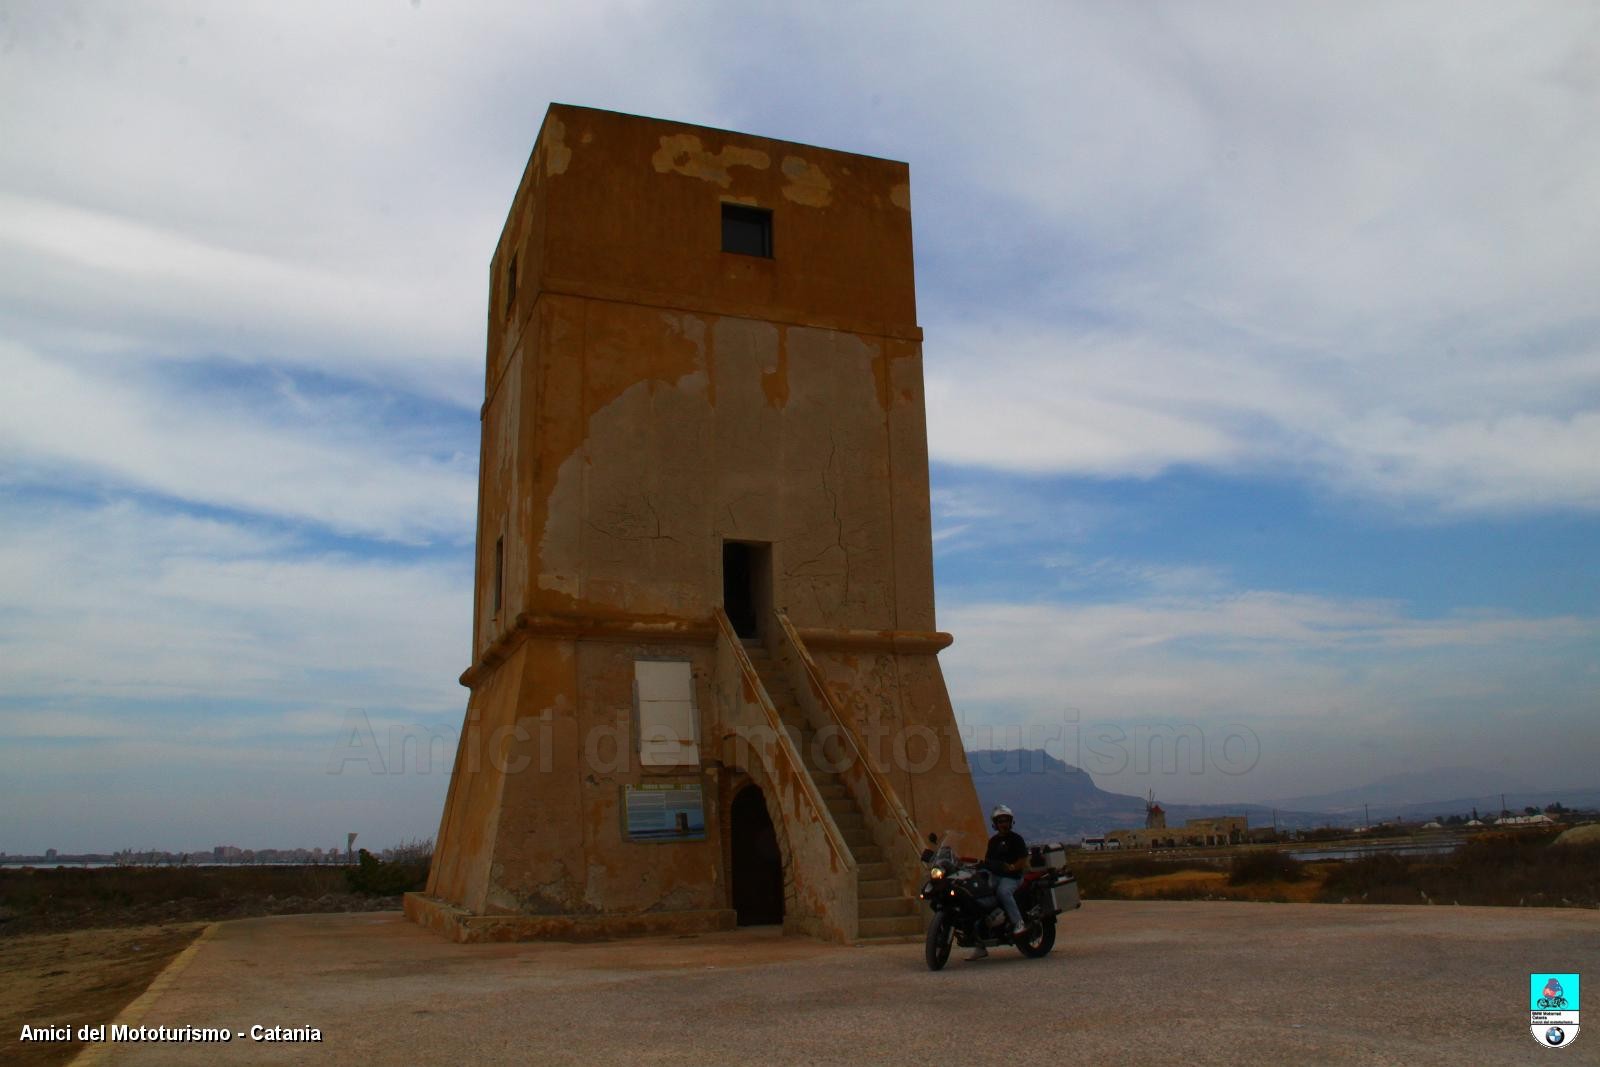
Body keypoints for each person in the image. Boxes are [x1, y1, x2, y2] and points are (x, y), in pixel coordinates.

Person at [967, 804, 1029, 960]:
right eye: (1000, 821)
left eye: (1006, 820)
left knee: (1003, 892)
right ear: (995, 823)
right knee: (979, 896)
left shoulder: (1016, 839)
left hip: (1012, 877)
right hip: (996, 875)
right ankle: (980, 944)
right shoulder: (993, 841)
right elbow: (988, 860)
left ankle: (1018, 922)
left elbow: (1022, 860)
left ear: (1011, 822)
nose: (1003, 824)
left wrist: (1013, 867)